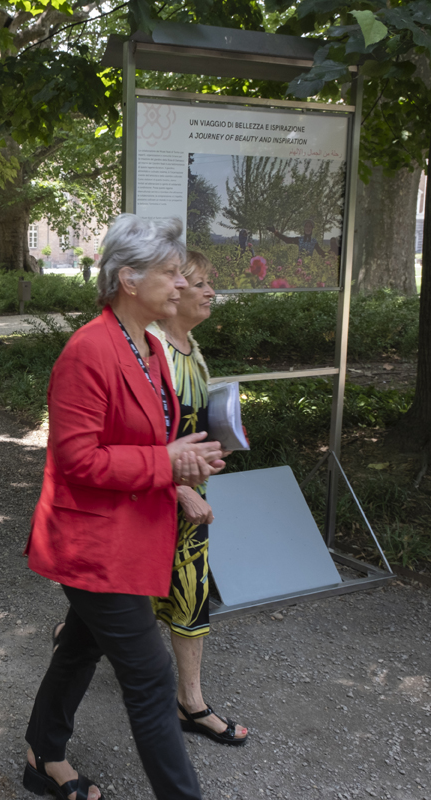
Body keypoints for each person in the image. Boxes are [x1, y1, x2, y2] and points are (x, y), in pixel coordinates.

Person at [22, 214, 226, 800]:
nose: (182, 285)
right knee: (151, 677)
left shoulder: (147, 348)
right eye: (170, 274)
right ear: (129, 280)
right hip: (92, 547)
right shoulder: (89, 350)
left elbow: (145, 443)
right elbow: (78, 459)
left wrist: (180, 476)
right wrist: (167, 467)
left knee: (81, 648)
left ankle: (42, 756)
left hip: (129, 536)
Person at [147, 250, 248, 747]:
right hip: (153, 498)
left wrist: (216, 444)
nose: (212, 293)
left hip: (191, 497)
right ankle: (76, 636)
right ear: (173, 290)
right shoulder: (151, 353)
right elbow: (141, 436)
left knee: (191, 591)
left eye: (211, 284)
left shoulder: (192, 347)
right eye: (201, 283)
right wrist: (181, 488)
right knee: (127, 596)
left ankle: (191, 702)